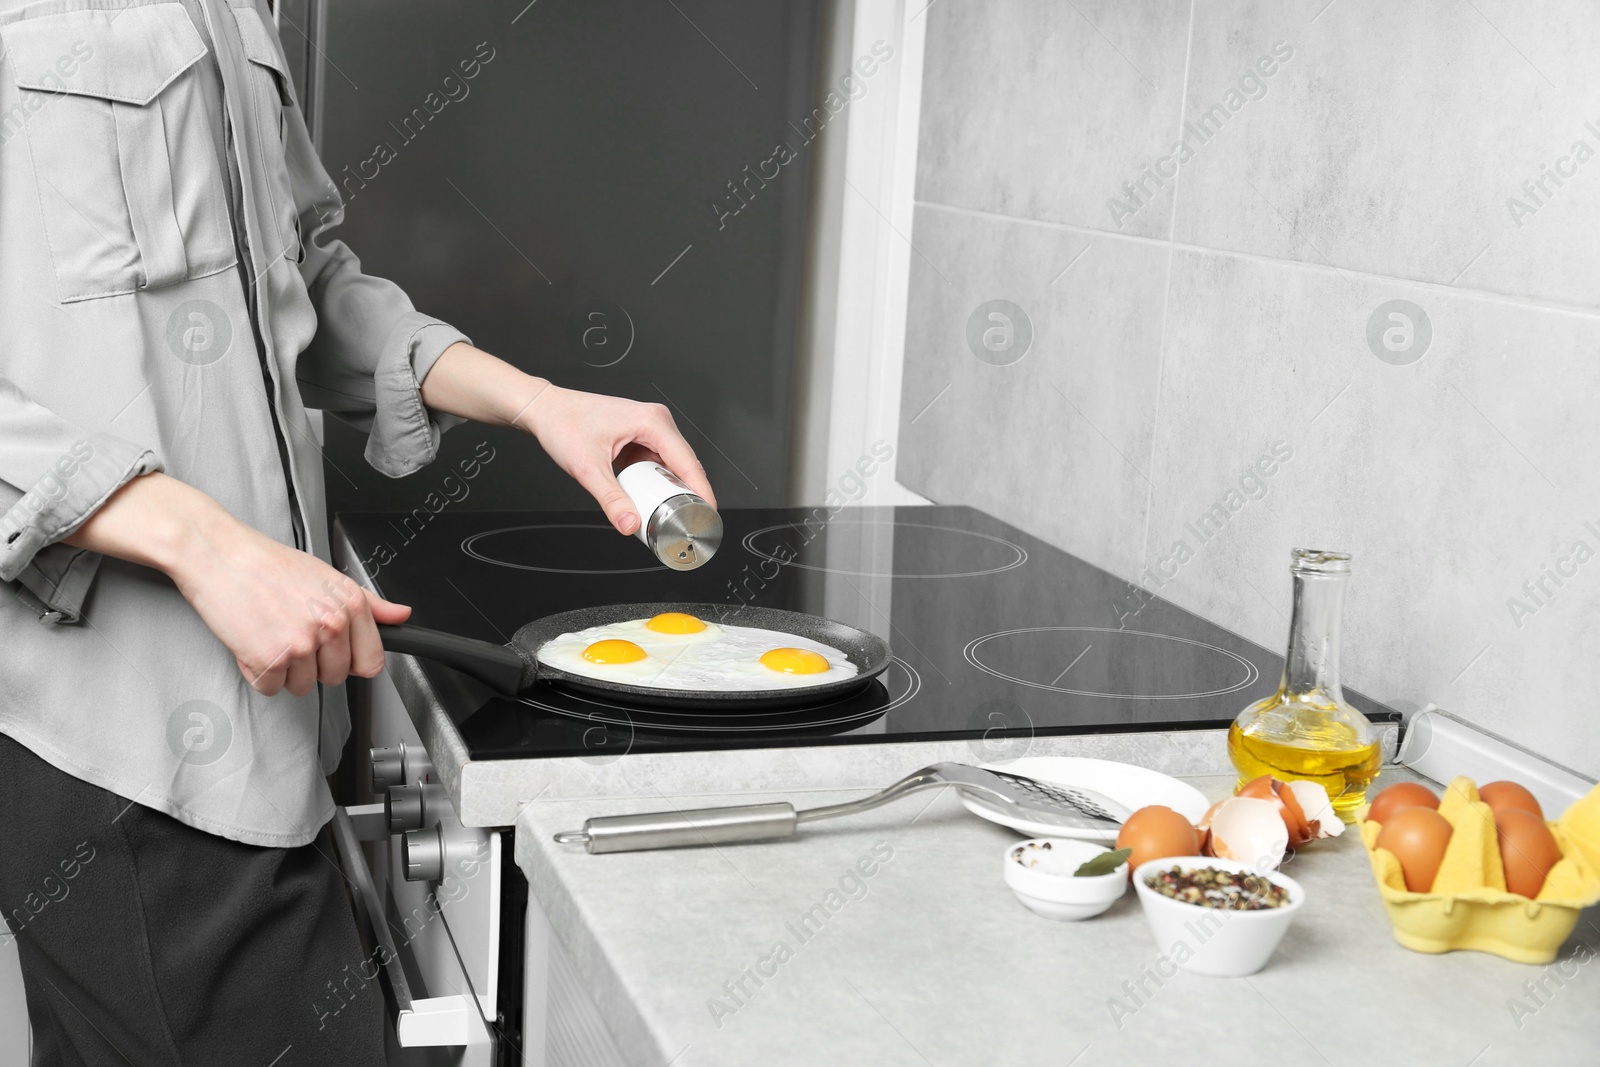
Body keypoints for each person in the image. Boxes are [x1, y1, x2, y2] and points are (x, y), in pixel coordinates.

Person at [0, 1, 715, 1062]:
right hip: (129, 757)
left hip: (287, 732)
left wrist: (533, 400)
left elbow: (303, 280)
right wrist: (208, 543)